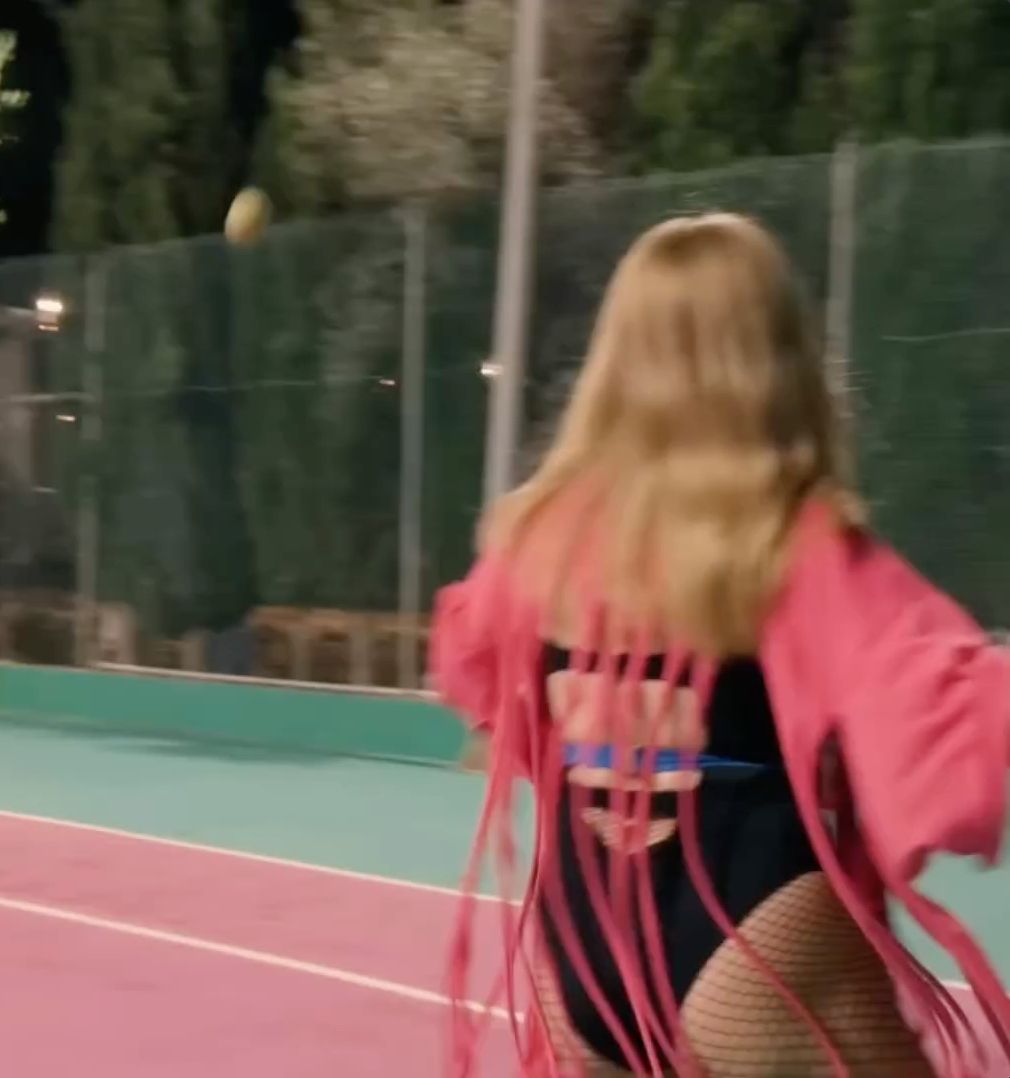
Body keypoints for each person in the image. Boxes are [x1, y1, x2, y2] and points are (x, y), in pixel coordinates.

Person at [430, 213, 1010, 1077]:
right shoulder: (798, 545)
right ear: (778, 358)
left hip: (583, 945)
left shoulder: (537, 541)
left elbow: (475, 672)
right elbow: (947, 703)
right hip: (758, 929)